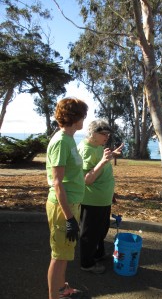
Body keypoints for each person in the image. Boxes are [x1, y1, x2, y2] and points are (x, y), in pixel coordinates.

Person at [46, 97, 88, 299]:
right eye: (83, 115)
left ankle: (62, 289)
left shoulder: (70, 139)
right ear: (75, 117)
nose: (85, 120)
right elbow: (57, 183)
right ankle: (54, 296)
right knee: (59, 255)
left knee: (65, 253)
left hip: (71, 204)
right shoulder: (61, 141)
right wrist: (69, 217)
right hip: (63, 207)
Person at [77, 119, 123, 274]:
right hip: (92, 200)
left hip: (103, 199)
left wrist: (111, 156)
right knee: (89, 234)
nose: (107, 136)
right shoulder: (86, 149)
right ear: (92, 133)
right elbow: (87, 180)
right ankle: (87, 263)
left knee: (101, 230)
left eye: (108, 133)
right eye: (103, 133)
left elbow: (102, 169)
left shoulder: (98, 146)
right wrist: (104, 161)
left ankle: (98, 254)